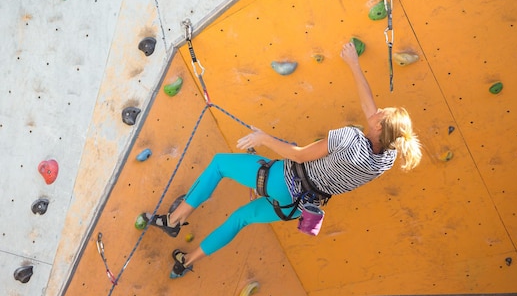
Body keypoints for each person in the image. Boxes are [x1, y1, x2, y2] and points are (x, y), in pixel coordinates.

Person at [149, 41, 422, 278]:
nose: (376, 111)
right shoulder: (386, 157)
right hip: (299, 206)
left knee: (220, 164)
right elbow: (369, 108)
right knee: (239, 219)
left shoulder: (350, 138)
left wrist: (263, 138)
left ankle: (173, 220)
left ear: (378, 127)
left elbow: (299, 154)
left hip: (283, 180)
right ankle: (185, 263)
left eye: (380, 113)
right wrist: (353, 64)